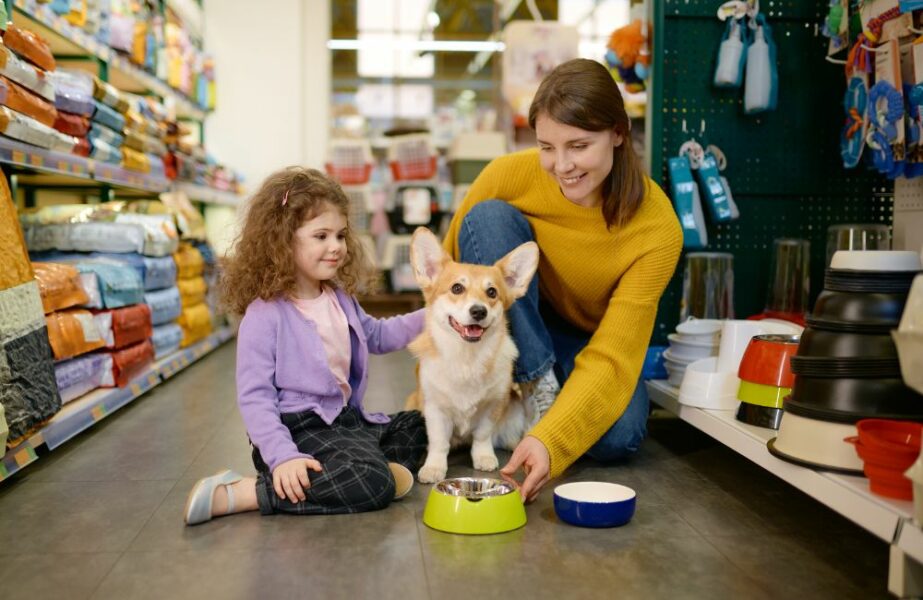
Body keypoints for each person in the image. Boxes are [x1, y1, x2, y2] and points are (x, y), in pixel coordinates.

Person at [442, 58, 683, 502]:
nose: (561, 165)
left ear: (617, 133)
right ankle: (535, 384)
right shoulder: (508, 175)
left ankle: (533, 411)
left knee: (621, 437)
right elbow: (447, 273)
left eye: (578, 145)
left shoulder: (657, 228)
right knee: (488, 218)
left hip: (588, 342)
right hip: (516, 322)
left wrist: (552, 441)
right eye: (547, 146)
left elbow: (613, 355)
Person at [184, 167, 427, 525]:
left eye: (341, 235)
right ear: (283, 241)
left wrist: (435, 312)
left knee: (419, 427)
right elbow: (255, 397)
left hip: (344, 422)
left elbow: (376, 335)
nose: (336, 247)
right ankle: (250, 491)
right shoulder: (265, 315)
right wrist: (282, 455)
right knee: (372, 483)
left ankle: (353, 468)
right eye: (321, 235)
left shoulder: (338, 298)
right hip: (297, 432)